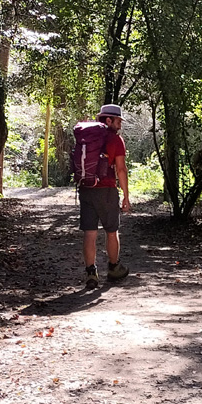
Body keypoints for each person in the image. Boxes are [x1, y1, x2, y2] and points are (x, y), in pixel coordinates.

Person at [79, 104, 131, 288]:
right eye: (118, 121)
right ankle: (114, 268)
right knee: (111, 230)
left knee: (90, 232)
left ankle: (91, 273)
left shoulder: (86, 138)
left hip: (85, 188)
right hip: (106, 190)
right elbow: (121, 169)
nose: (120, 125)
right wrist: (126, 195)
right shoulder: (115, 140)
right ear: (108, 120)